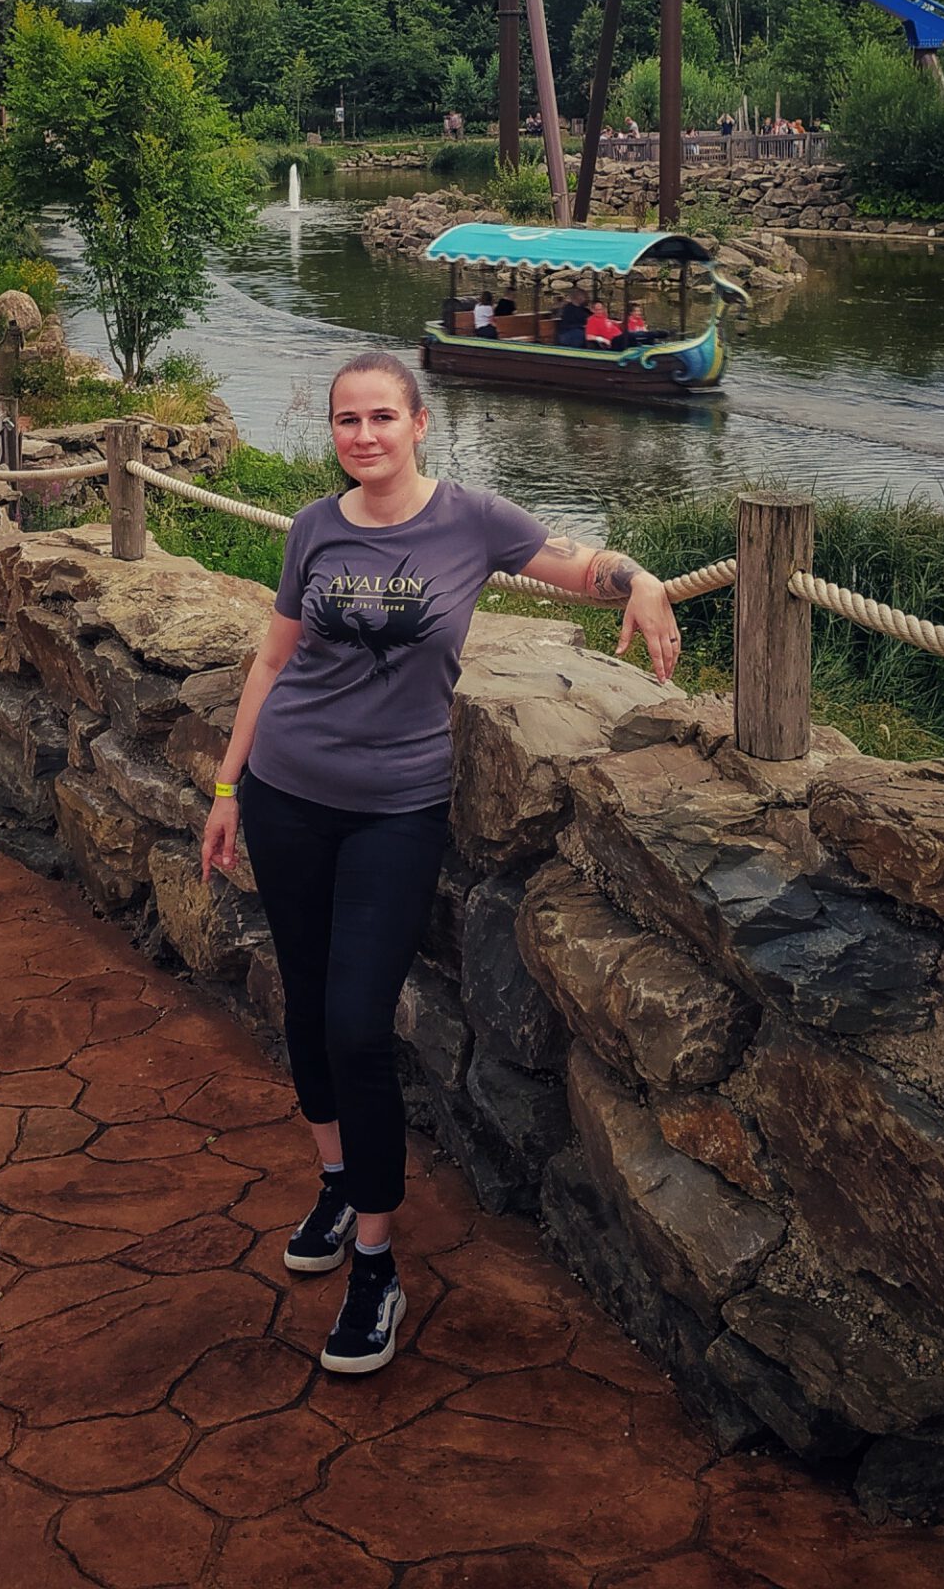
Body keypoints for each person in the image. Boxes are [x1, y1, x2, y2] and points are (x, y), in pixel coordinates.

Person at [200, 351, 679, 1378]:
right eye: (346, 421)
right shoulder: (315, 529)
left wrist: (639, 582)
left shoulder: (470, 520)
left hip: (394, 814)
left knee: (355, 1025)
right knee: (304, 1011)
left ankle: (376, 1260)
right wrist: (228, 788)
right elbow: (273, 660)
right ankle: (335, 1181)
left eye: (382, 417)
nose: (364, 436)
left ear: (421, 423)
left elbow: (575, 562)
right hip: (286, 796)